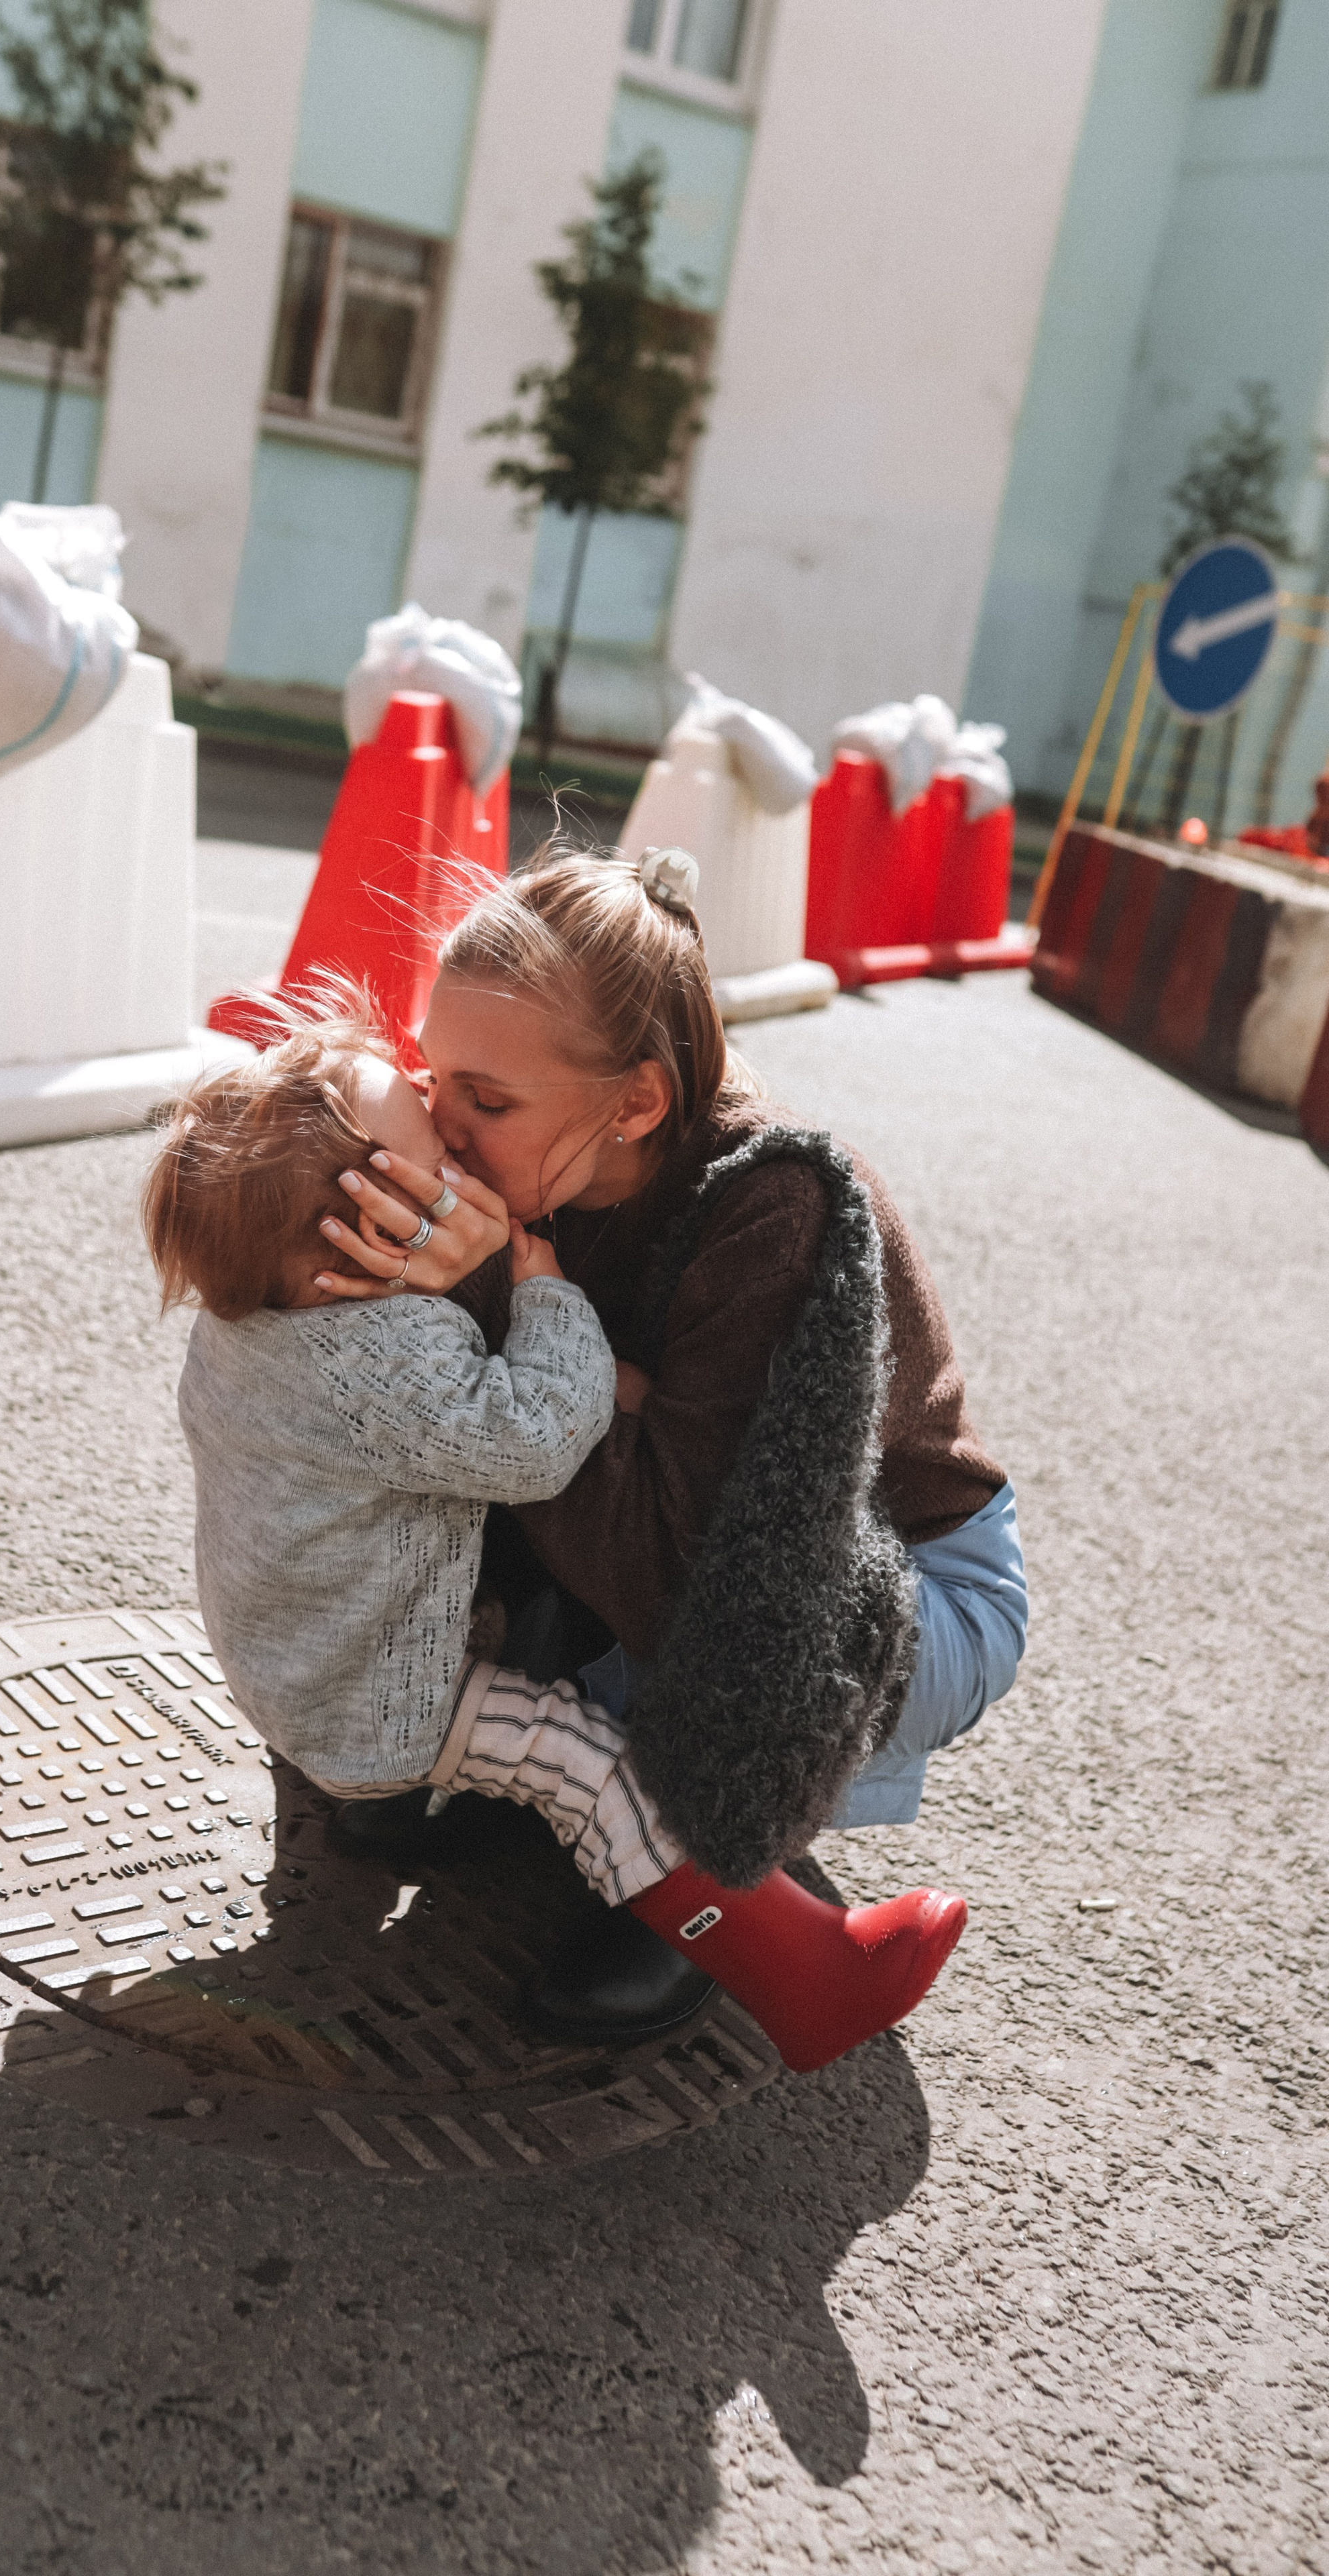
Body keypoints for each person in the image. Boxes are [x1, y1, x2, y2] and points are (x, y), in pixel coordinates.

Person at [143, 1012, 969, 2074]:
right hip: (379, 1692)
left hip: (285, 1664)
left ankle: (393, 1814)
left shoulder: (250, 1325)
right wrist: (542, 1291)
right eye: (434, 1151)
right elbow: (540, 1438)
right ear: (352, 1241)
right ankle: (806, 1970)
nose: (452, 1136)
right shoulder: (383, 1353)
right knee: (586, 1764)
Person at [307, 845, 1028, 2046]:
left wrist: (498, 1304)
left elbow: (677, 1558)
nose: (447, 1126)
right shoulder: (553, 1161)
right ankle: (531, 1745)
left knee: (701, 1565)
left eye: (489, 1101)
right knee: (494, 1425)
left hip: (900, 1580)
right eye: (439, 1081)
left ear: (637, 1100)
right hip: (696, 1515)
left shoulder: (774, 1205)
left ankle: (710, 1863)